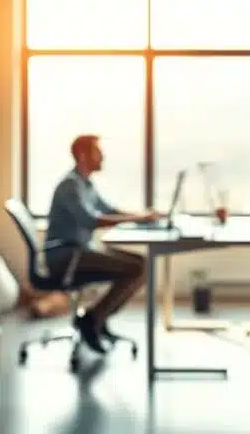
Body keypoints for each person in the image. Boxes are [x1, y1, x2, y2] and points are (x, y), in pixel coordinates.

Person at [45, 134, 162, 354]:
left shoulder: (86, 184)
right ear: (82, 155)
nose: (102, 157)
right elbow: (92, 220)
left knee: (141, 264)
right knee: (138, 268)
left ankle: (99, 317)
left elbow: (109, 211)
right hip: (67, 257)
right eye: (97, 152)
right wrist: (137, 219)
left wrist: (142, 216)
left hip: (81, 252)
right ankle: (94, 319)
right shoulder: (71, 186)